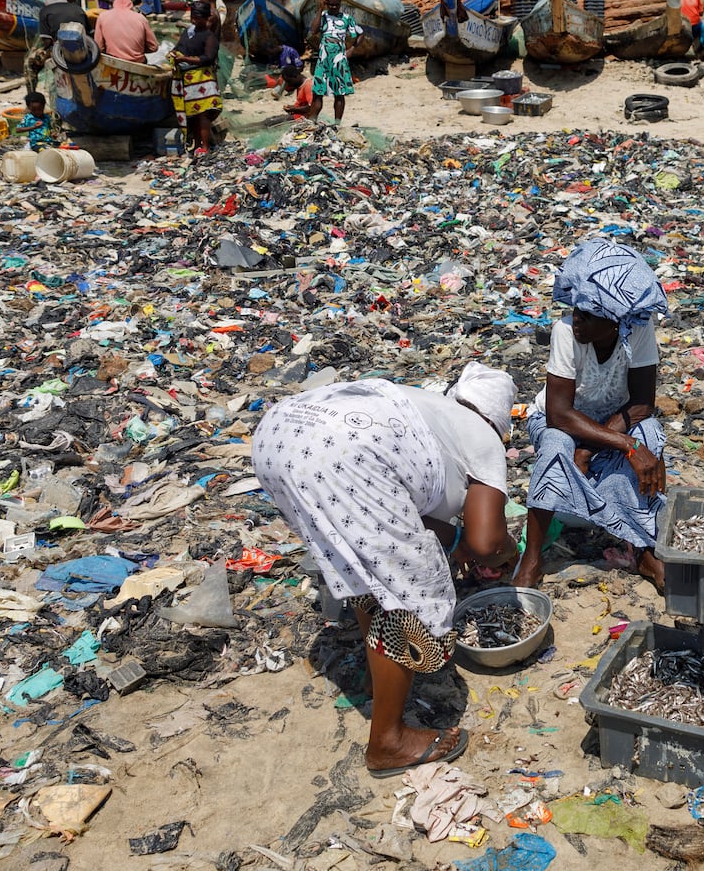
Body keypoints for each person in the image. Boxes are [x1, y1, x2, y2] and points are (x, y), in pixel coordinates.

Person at [252, 364, 519, 776]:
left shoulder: (427, 410)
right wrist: (506, 552)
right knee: (410, 599)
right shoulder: (482, 436)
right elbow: (486, 544)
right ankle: (388, 743)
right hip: (340, 457)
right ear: (497, 422)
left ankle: (382, 678)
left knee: (366, 566)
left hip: (278, 437)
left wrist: (456, 543)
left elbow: (404, 514)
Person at [515, 239, 669, 591]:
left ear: (615, 321)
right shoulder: (566, 332)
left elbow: (643, 403)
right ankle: (533, 557)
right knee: (555, 445)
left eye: (588, 313)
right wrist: (620, 444)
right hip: (563, 421)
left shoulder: (639, 330)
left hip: (615, 419)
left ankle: (644, 548)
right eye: (577, 310)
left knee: (651, 439)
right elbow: (558, 414)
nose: (578, 318)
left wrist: (605, 446)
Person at [305, 0, 362, 125]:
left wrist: (352, 50)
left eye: (336, 5)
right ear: (327, 4)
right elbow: (313, 31)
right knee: (318, 93)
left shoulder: (347, 19)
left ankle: (337, 124)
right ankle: (311, 123)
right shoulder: (323, 16)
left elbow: (360, 34)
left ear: (340, 4)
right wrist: (320, 9)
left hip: (339, 60)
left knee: (339, 94)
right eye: (331, 5)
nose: (334, 7)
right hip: (323, 60)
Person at [173, 1, 221, 154]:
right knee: (192, 115)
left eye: (198, 18)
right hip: (188, 81)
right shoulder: (188, 33)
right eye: (192, 17)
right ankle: (197, 145)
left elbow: (208, 57)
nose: (194, 21)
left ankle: (205, 147)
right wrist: (174, 54)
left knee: (203, 115)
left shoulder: (209, 36)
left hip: (203, 80)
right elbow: (179, 47)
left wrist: (185, 59)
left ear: (206, 18)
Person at [25, 0, 89, 93]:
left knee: (29, 63)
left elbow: (47, 40)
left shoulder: (45, 11)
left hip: (59, 50)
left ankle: (32, 96)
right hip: (84, 47)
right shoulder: (78, 8)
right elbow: (89, 33)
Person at [94, 0, 158, 62]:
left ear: (114, 4)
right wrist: (139, 50)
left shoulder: (102, 17)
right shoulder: (141, 18)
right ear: (131, 5)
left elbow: (99, 47)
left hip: (113, 62)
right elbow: (153, 47)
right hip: (138, 62)